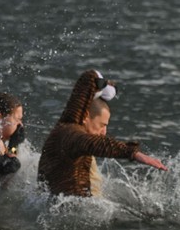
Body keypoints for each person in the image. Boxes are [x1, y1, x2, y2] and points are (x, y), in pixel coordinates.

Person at [37, 70, 168, 197]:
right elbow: (94, 143)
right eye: (102, 125)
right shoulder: (70, 134)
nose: (104, 132)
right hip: (68, 207)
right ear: (86, 116)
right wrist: (132, 152)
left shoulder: (63, 130)